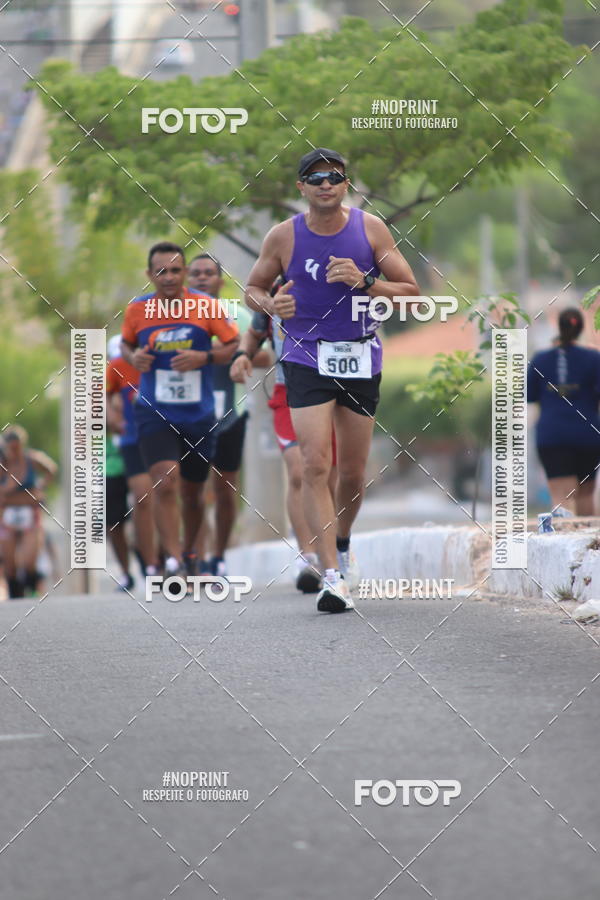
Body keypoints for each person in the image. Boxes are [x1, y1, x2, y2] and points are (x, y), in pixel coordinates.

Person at [245, 147, 419, 612]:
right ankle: (332, 575)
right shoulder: (283, 237)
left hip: (360, 356)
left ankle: (341, 541)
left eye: (334, 177)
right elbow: (253, 288)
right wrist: (270, 306)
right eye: (315, 177)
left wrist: (367, 283)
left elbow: (412, 292)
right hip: (305, 357)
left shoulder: (370, 228)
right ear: (301, 186)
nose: (326, 184)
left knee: (353, 472)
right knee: (313, 465)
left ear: (346, 185)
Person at [120, 242, 239, 579]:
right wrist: (134, 358)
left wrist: (204, 357)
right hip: (153, 409)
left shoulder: (207, 307)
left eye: (175, 270)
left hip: (198, 414)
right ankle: (171, 561)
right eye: (161, 271)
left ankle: (189, 552)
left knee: (192, 493)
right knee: (165, 482)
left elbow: (232, 345)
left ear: (184, 272)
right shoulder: (137, 310)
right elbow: (128, 344)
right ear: (149, 275)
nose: (168, 277)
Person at [231, 280, 336, 594]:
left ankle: (337, 551)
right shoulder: (276, 289)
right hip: (287, 391)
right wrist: (242, 355)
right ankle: (308, 557)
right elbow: (255, 330)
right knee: (299, 472)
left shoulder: (334, 286)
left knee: (329, 476)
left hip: (336, 391)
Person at [187, 254, 268, 577]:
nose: (203, 278)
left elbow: (264, 354)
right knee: (191, 490)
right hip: (186, 415)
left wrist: (232, 356)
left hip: (230, 414)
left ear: (221, 281)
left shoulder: (237, 316)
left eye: (209, 273)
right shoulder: (174, 320)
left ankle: (218, 557)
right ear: (187, 280)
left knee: (223, 489)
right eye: (196, 274)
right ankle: (197, 556)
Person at [527, 307, 600, 515]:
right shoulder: (594, 359)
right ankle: (589, 544)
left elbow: (529, 395)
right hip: (588, 435)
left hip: (553, 436)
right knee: (586, 494)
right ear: (581, 329)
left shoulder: (540, 359)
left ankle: (560, 539)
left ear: (558, 327)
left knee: (561, 497)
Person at [106, 334, 158, 585]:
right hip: (111, 463)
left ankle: (152, 563)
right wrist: (110, 420)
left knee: (145, 502)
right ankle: (127, 574)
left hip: (144, 446)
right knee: (114, 522)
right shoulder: (108, 381)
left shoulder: (147, 375)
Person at [0, 425, 57, 598]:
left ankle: (31, 590)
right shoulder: (3, 464)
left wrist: (41, 486)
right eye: (11, 448)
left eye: (18, 447)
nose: (15, 451)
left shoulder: (32, 459)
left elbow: (51, 469)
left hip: (30, 516)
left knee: (29, 561)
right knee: (10, 564)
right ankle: (14, 596)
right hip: (7, 517)